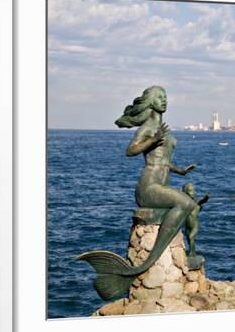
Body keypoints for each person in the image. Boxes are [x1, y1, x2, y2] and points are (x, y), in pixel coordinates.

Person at [76, 86, 198, 300]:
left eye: (165, 97)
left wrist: (181, 170)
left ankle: (142, 264)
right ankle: (151, 260)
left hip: (162, 185)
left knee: (186, 204)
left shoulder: (163, 128)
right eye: (159, 97)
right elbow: (130, 150)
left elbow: (163, 161)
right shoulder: (149, 127)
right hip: (149, 187)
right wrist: (152, 139)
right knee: (187, 204)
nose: (164, 101)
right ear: (150, 102)